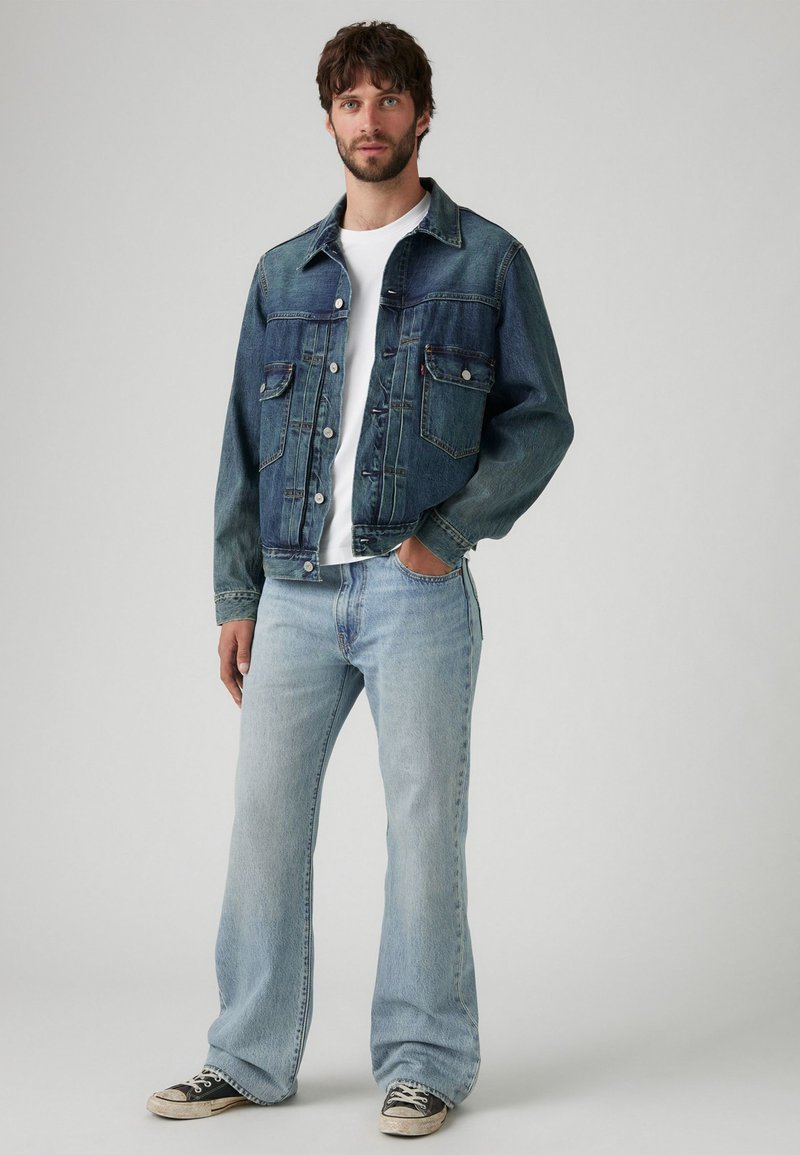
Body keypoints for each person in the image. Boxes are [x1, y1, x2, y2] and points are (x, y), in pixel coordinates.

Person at [146, 20, 573, 1138]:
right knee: (262, 823)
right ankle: (246, 1055)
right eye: (350, 102)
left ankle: (424, 1060)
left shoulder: (486, 261)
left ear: (422, 115)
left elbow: (540, 420)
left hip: (413, 592)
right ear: (329, 118)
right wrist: (235, 595)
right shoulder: (282, 273)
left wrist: (450, 531)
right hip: (292, 593)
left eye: (388, 100)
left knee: (422, 829)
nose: (369, 120)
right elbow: (243, 444)